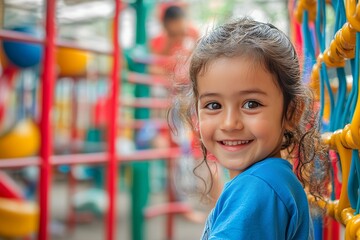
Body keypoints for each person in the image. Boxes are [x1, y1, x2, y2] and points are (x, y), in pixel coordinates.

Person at [169, 17, 330, 239]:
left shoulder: (258, 189)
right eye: (213, 105)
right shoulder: (271, 179)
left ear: (292, 113)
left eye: (251, 104)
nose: (229, 123)